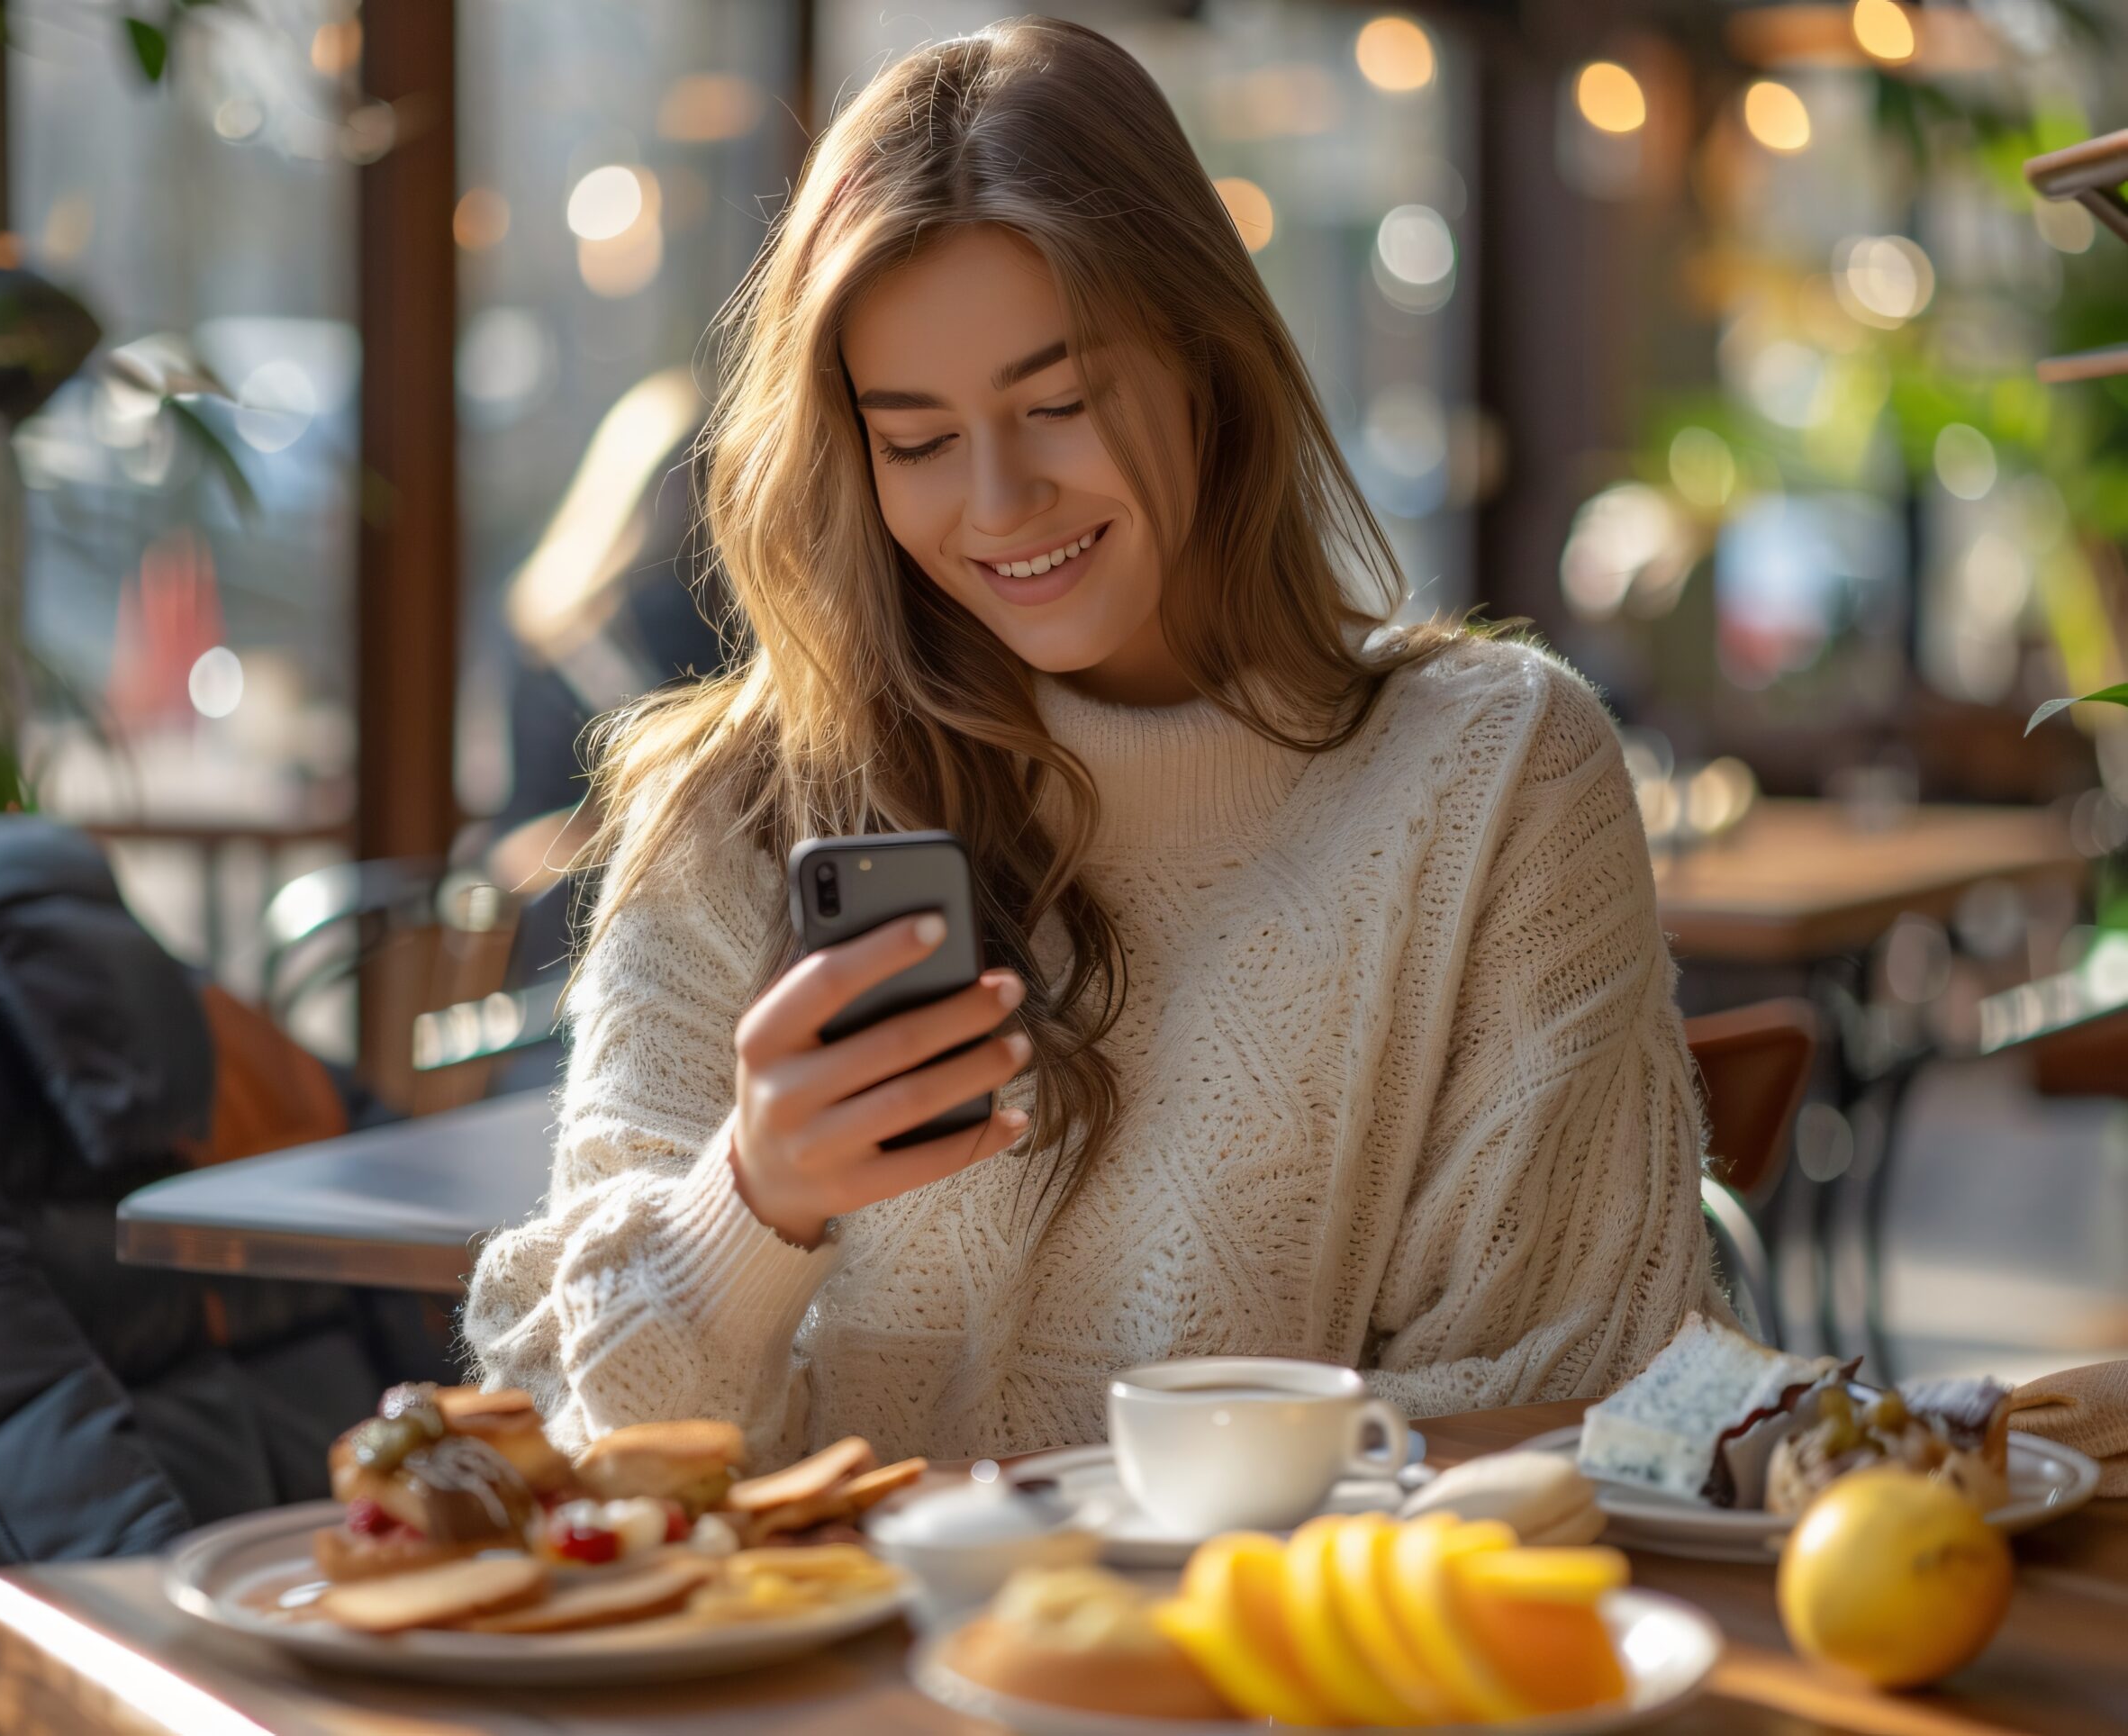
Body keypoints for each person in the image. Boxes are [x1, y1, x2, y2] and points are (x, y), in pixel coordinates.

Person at [466, 18, 1725, 1469]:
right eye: (919, 441)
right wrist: (750, 1206)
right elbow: (572, 1435)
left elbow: (1560, 1396)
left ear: (1206, 358)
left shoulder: (1494, 777)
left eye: (1056, 405)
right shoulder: (738, 814)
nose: (998, 502)